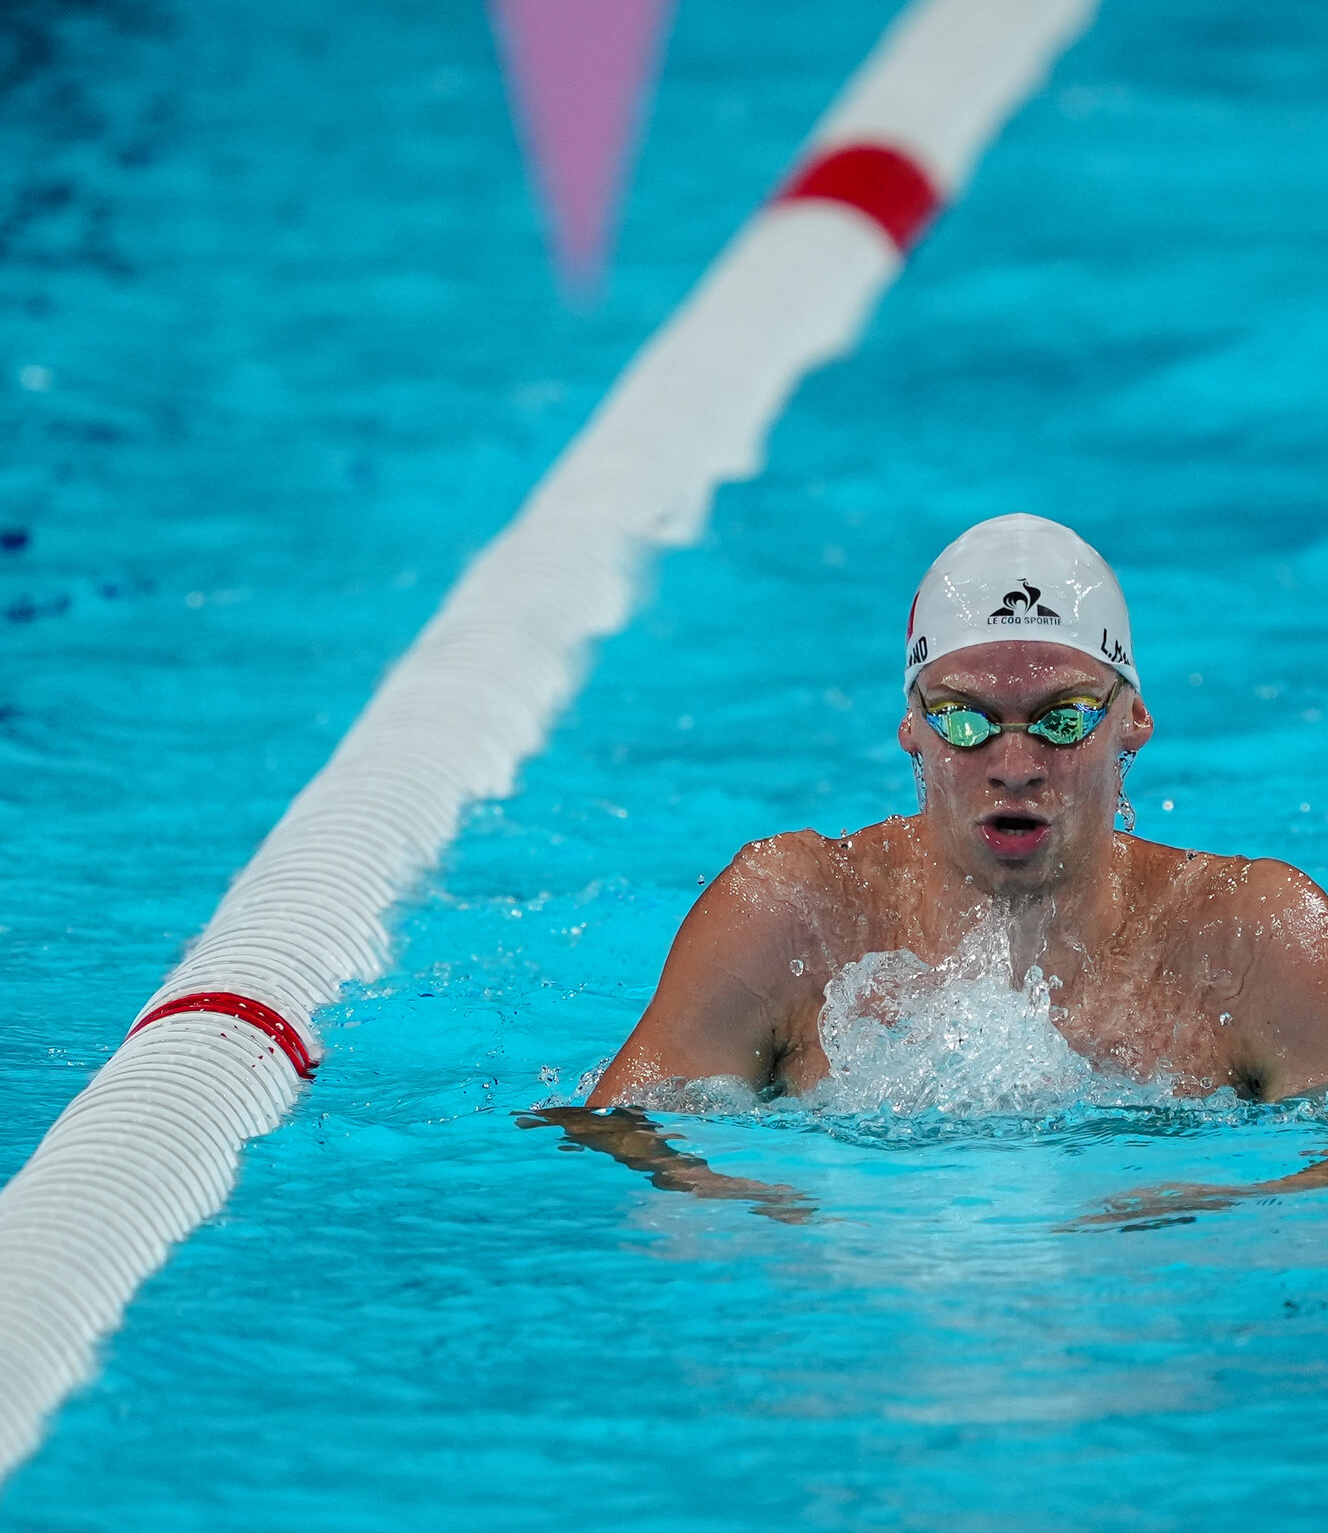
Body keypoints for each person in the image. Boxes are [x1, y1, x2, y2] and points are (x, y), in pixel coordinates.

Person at [527, 514, 1328, 1215]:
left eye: (1064, 717)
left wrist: (1207, 1210)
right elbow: (614, 1136)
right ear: (911, 726)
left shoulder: (1256, 935)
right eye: (964, 719)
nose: (1015, 762)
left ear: (1135, 720)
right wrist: (777, 1213)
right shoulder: (791, 913)